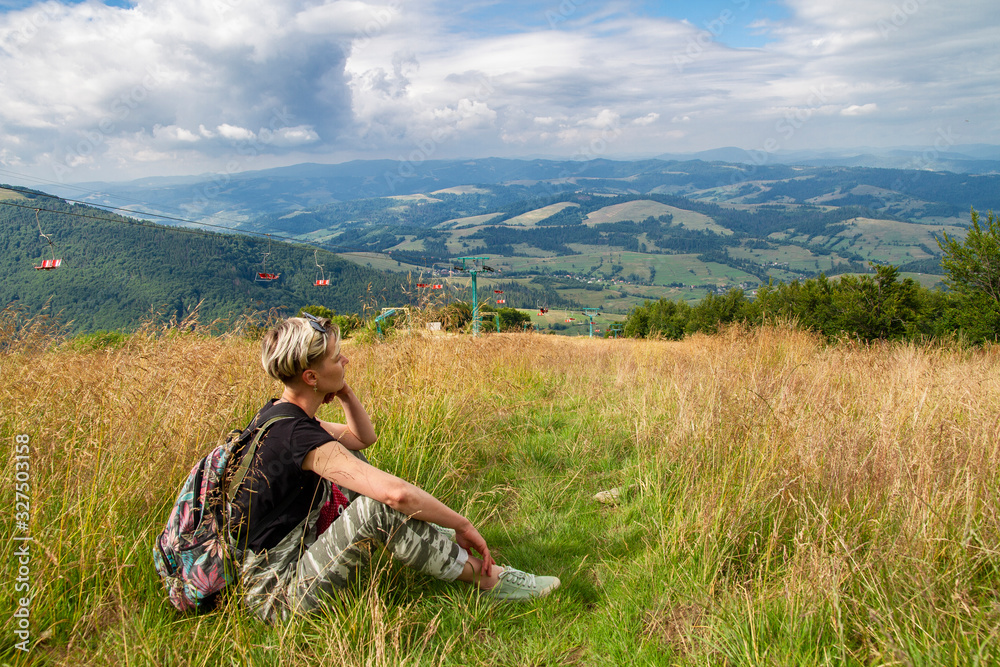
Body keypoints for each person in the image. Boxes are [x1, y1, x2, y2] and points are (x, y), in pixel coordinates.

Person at [231, 313, 559, 622]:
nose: (345, 360)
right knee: (380, 507)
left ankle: (446, 548)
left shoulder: (280, 417)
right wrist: (462, 523)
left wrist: (343, 391)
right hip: (275, 596)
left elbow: (361, 438)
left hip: (266, 572)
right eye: (336, 358)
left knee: (355, 464)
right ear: (311, 377)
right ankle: (487, 578)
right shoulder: (297, 437)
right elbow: (397, 496)